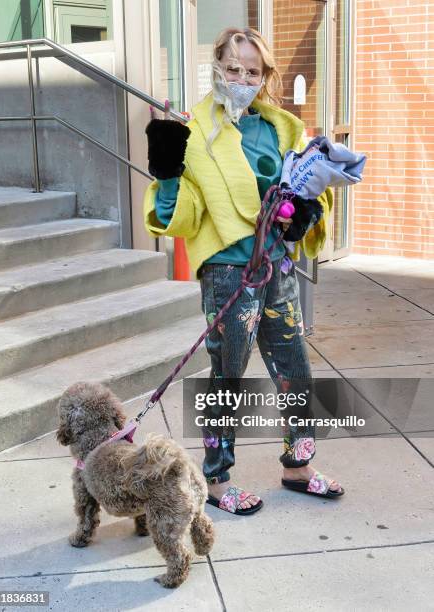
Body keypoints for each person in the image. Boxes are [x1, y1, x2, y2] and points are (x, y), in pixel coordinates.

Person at [143, 27, 344, 515]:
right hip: (230, 272)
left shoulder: (281, 128)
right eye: (233, 69)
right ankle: (215, 480)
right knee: (227, 375)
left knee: (295, 367)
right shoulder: (193, 129)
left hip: (278, 266)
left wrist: (306, 212)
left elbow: (308, 188)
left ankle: (298, 466)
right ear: (217, 67)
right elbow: (185, 209)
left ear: (265, 76)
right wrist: (168, 173)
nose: (241, 78)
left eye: (252, 71)